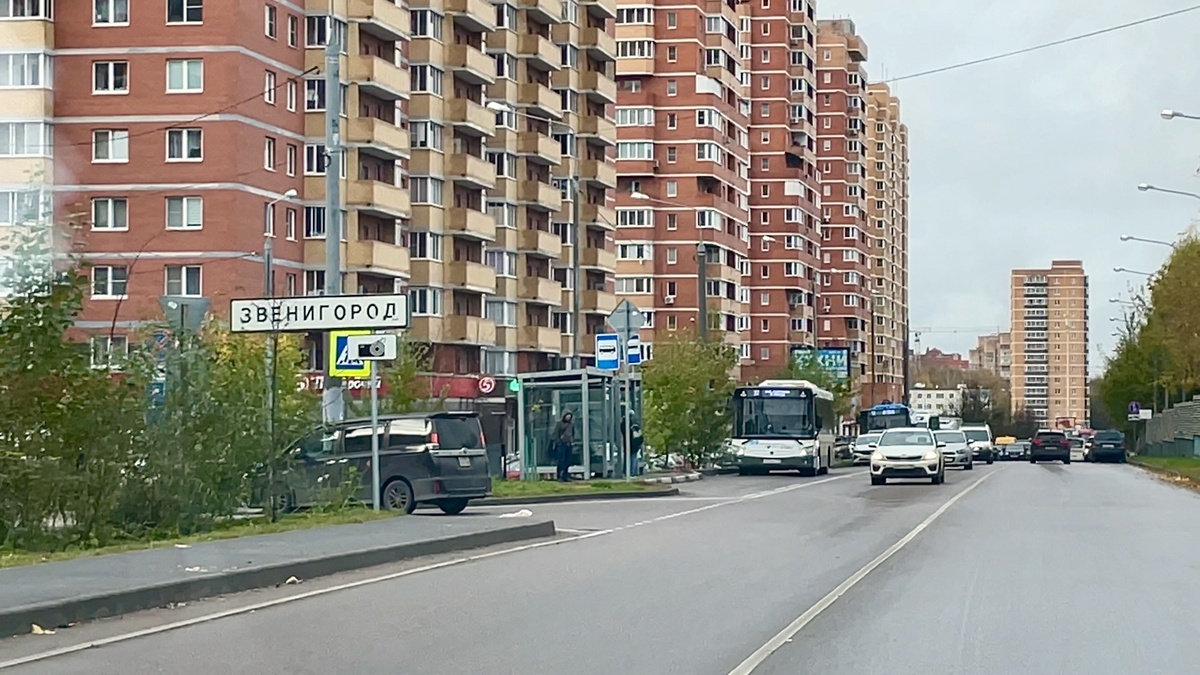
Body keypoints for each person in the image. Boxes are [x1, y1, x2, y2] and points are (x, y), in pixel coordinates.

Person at [552, 411, 575, 482]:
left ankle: (566, 475)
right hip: (561, 445)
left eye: (569, 416)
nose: (568, 417)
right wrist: (559, 442)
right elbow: (555, 434)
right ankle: (560, 476)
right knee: (561, 461)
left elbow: (573, 433)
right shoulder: (559, 424)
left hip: (569, 444)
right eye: (567, 415)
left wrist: (572, 441)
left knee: (568, 461)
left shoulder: (571, 424)